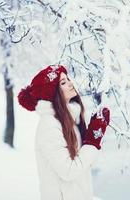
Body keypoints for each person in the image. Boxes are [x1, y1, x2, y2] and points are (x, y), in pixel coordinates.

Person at [17, 65, 110, 200]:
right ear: (53, 93)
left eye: (68, 79)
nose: (71, 84)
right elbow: (68, 171)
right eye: (63, 82)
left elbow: (84, 165)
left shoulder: (69, 120)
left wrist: (93, 133)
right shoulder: (50, 126)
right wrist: (92, 141)